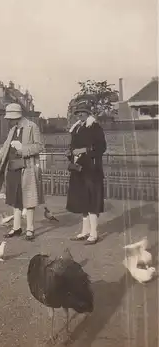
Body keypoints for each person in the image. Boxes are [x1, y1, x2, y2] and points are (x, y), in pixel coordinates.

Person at [0, 103, 44, 241]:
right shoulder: (12, 130)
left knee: (29, 199)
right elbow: (4, 150)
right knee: (15, 199)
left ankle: (30, 229)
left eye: (10, 118)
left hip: (26, 168)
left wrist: (22, 149)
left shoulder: (32, 127)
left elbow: (39, 147)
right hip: (12, 168)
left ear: (17, 116)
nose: (9, 121)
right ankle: (16, 228)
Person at [66, 99, 107, 245]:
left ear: (88, 113)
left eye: (82, 113)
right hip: (78, 168)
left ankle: (94, 234)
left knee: (92, 200)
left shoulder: (95, 127)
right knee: (82, 200)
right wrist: (71, 153)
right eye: (78, 113)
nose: (80, 115)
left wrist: (83, 150)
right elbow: (73, 146)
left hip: (91, 169)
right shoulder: (77, 128)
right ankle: (85, 231)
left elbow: (101, 147)